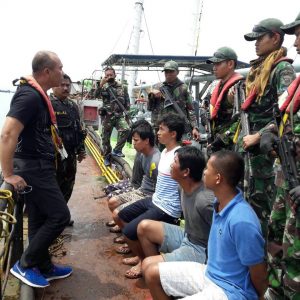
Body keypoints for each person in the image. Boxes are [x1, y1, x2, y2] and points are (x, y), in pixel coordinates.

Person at [143, 150, 267, 300]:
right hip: (210, 273)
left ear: (218, 178)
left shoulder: (242, 220)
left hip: (231, 290)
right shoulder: (219, 203)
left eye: (207, 169)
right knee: (151, 273)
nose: (203, 173)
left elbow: (258, 273)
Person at [0, 51, 72, 288]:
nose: (63, 72)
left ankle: (44, 266)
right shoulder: (29, 96)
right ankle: (25, 263)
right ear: (47, 71)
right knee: (60, 215)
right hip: (33, 169)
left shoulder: (38, 97)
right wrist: (8, 174)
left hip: (41, 166)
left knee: (39, 219)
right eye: (60, 68)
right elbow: (7, 134)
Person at [241, 18, 296, 238]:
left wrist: (259, 135)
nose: (255, 43)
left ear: (275, 37)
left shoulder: (282, 69)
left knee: (265, 205)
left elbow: (285, 113)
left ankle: (262, 260)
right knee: (251, 199)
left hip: (266, 150)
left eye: (259, 38)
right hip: (252, 147)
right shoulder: (260, 70)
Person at [113, 113, 184, 279]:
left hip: (166, 207)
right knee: (122, 215)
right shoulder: (166, 151)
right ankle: (141, 256)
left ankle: (145, 262)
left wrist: (180, 211)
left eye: (161, 129)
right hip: (155, 200)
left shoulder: (179, 155)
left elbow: (186, 185)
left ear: (173, 134)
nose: (157, 133)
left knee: (130, 231)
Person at [261, 12, 300, 300]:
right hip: (287, 178)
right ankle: (276, 291)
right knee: (277, 241)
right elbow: (285, 116)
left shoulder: (284, 72)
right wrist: (270, 131)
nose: (295, 42)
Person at [139, 146, 213, 272]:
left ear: (186, 172)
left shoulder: (205, 201)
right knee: (144, 227)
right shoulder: (181, 187)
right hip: (187, 236)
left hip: (201, 249)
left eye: (175, 162)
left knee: (148, 265)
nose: (171, 165)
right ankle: (160, 276)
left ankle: (157, 274)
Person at [51, 74, 86, 226]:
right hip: (54, 157)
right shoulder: (48, 104)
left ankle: (61, 215)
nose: (65, 88)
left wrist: (81, 150)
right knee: (53, 188)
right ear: (54, 86)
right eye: (62, 85)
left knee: (68, 186)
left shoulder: (73, 106)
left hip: (70, 154)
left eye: (67, 85)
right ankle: (53, 218)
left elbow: (78, 129)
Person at [107, 120, 160, 219]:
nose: (133, 144)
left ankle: (123, 222)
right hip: (140, 190)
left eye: (136, 140)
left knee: (118, 213)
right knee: (112, 201)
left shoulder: (156, 161)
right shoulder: (142, 153)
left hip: (148, 196)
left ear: (147, 141)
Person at [148, 60, 200, 142]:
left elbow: (191, 110)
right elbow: (150, 108)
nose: (168, 74)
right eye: (166, 72)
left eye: (171, 72)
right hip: (160, 127)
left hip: (177, 128)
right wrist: (152, 96)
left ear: (177, 72)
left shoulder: (183, 88)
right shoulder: (157, 87)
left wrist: (195, 127)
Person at [206, 47, 244, 152]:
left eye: (218, 64)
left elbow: (242, 118)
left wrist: (224, 138)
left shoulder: (239, 86)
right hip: (217, 140)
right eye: (213, 64)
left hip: (231, 143)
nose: (214, 68)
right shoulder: (216, 86)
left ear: (230, 64)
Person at [97, 66, 130, 166]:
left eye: (111, 75)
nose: (109, 76)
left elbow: (127, 101)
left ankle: (117, 150)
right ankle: (107, 156)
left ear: (115, 75)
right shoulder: (103, 86)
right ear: (104, 76)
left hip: (119, 115)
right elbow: (94, 95)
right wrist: (101, 84)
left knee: (126, 129)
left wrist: (127, 115)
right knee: (105, 138)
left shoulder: (122, 86)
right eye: (107, 75)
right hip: (107, 116)